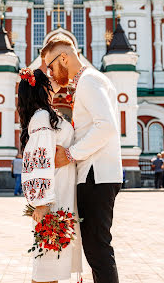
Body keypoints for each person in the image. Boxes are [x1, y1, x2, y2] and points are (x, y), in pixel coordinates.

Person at [44, 35, 122, 283]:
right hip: (97, 173)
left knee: (98, 249)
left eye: (51, 66)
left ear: (64, 58)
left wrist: (68, 154)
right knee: (96, 248)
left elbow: (106, 126)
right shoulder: (92, 81)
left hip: (95, 175)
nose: (51, 73)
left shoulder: (89, 81)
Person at [18, 67, 82, 282]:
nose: (53, 80)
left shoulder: (46, 115)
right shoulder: (43, 117)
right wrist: (42, 202)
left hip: (60, 190)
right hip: (52, 197)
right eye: (48, 80)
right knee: (47, 260)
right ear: (41, 89)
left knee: (54, 258)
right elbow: (38, 161)